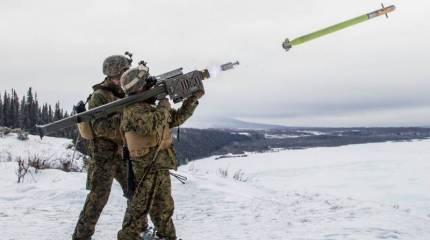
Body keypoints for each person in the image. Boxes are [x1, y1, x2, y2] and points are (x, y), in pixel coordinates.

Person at [117, 64, 203, 240]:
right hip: (145, 166)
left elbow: (176, 118)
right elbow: (151, 125)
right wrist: (164, 102)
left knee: (164, 208)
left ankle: (167, 236)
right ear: (139, 87)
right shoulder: (133, 110)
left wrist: (192, 100)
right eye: (147, 83)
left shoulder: (151, 108)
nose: (151, 85)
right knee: (138, 210)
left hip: (160, 165)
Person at [73, 54, 137, 240]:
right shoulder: (99, 96)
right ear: (113, 73)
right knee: (98, 198)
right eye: (122, 73)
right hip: (104, 155)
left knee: (136, 193)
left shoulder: (124, 92)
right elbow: (99, 127)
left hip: (122, 152)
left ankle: (133, 231)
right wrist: (126, 119)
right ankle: (81, 236)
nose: (125, 77)